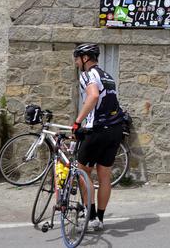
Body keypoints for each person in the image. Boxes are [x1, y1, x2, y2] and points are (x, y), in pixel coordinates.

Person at [72, 43, 125, 231]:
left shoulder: (87, 74)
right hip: (115, 130)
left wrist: (78, 122)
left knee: (83, 171)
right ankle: (100, 219)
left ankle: (90, 216)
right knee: (104, 176)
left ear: (85, 58)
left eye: (77, 58)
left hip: (97, 130)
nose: (76, 62)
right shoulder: (107, 76)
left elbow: (93, 96)